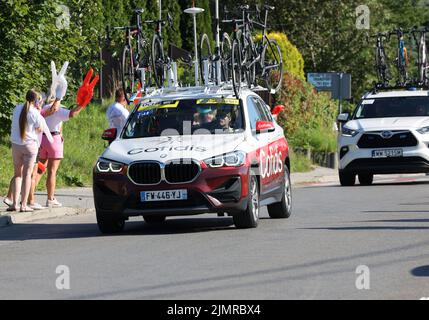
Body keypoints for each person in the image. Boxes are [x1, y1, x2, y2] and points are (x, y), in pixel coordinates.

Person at [34, 102, 85, 208]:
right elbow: (72, 114)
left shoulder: (43, 108)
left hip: (42, 139)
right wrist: (82, 104)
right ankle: (50, 199)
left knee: (39, 169)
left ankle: (29, 197)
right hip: (53, 139)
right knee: (52, 172)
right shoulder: (58, 109)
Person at [8, 90, 51, 212]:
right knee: (27, 175)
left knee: (17, 175)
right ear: (37, 101)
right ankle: (23, 205)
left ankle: (14, 204)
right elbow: (40, 129)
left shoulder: (17, 108)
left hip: (16, 145)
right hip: (30, 146)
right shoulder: (35, 113)